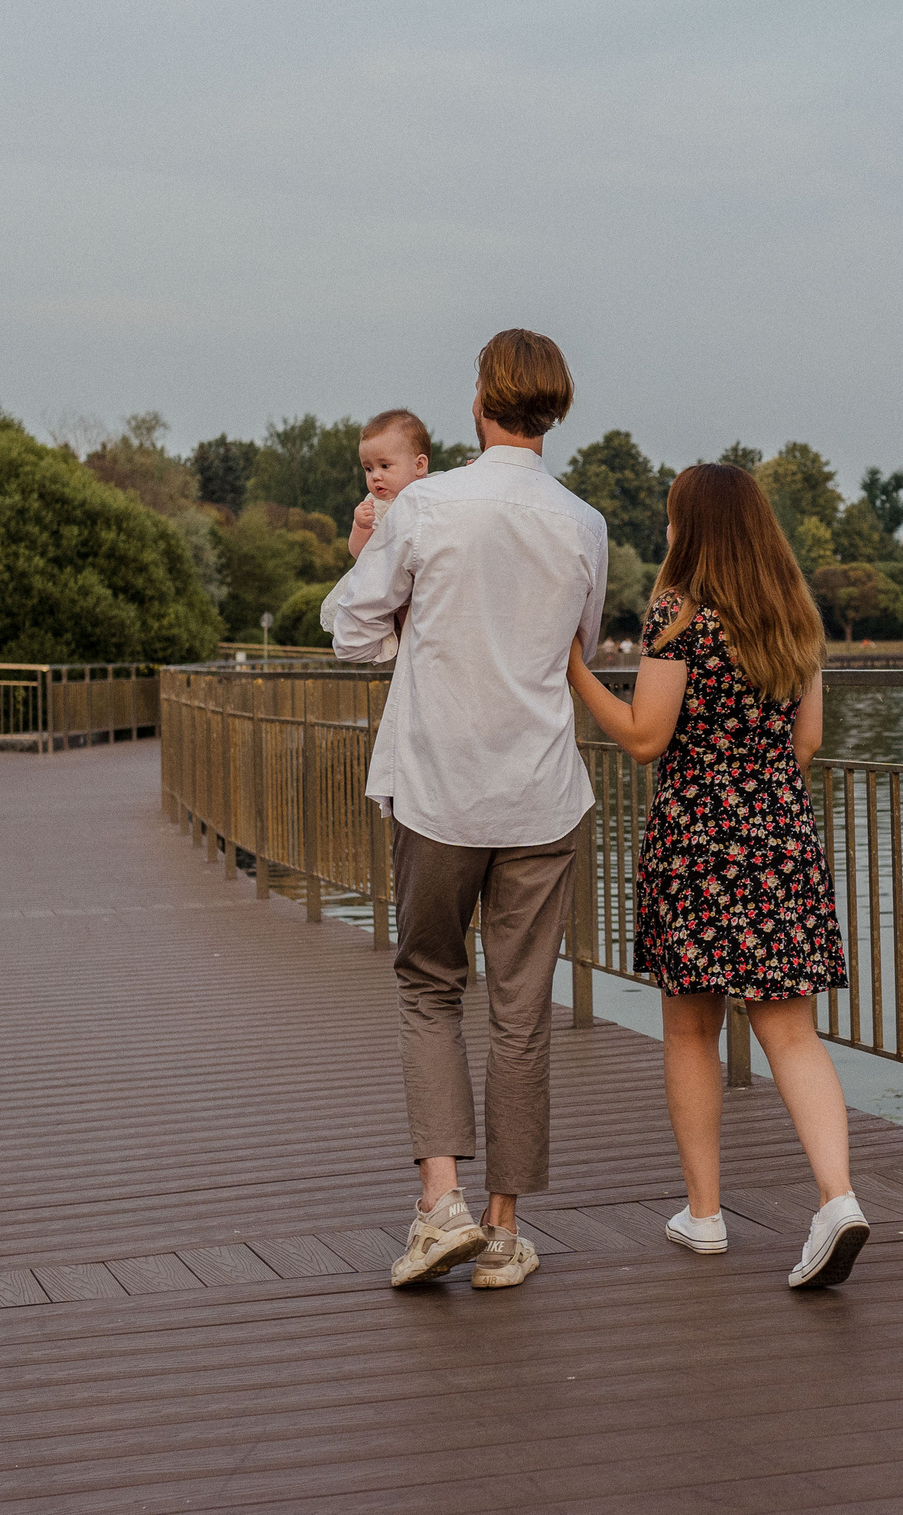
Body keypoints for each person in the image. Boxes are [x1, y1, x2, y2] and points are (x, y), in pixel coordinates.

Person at [326, 329, 607, 1291]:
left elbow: (351, 627)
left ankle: (437, 1203)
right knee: (522, 1014)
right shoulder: (583, 522)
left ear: (482, 397)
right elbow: (583, 645)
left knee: (429, 987)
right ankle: (502, 1229)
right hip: (539, 792)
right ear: (553, 408)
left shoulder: (426, 505)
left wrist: (392, 599)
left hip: (439, 786)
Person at [564, 462, 870, 1290]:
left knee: (692, 1030)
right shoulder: (794, 614)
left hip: (698, 840)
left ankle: (704, 1214)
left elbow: (643, 736)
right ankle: (837, 1198)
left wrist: (576, 672)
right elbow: (805, 741)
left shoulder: (679, 611)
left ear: (690, 527)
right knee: (794, 1035)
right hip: (781, 839)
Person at [347, 407, 434, 558]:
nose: (375, 476)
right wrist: (361, 527)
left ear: (419, 465)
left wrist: (469, 472)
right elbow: (359, 554)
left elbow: (460, 496)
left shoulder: (436, 484)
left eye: (385, 466)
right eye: (368, 469)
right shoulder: (375, 507)